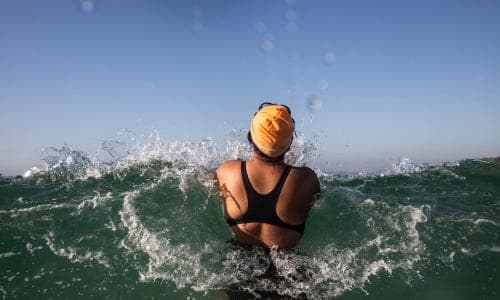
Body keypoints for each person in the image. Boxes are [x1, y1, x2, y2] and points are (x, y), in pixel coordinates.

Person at [215, 102, 320, 249]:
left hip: (239, 264)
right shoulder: (306, 179)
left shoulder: (227, 171)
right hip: (289, 266)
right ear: (289, 142)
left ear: (250, 136)